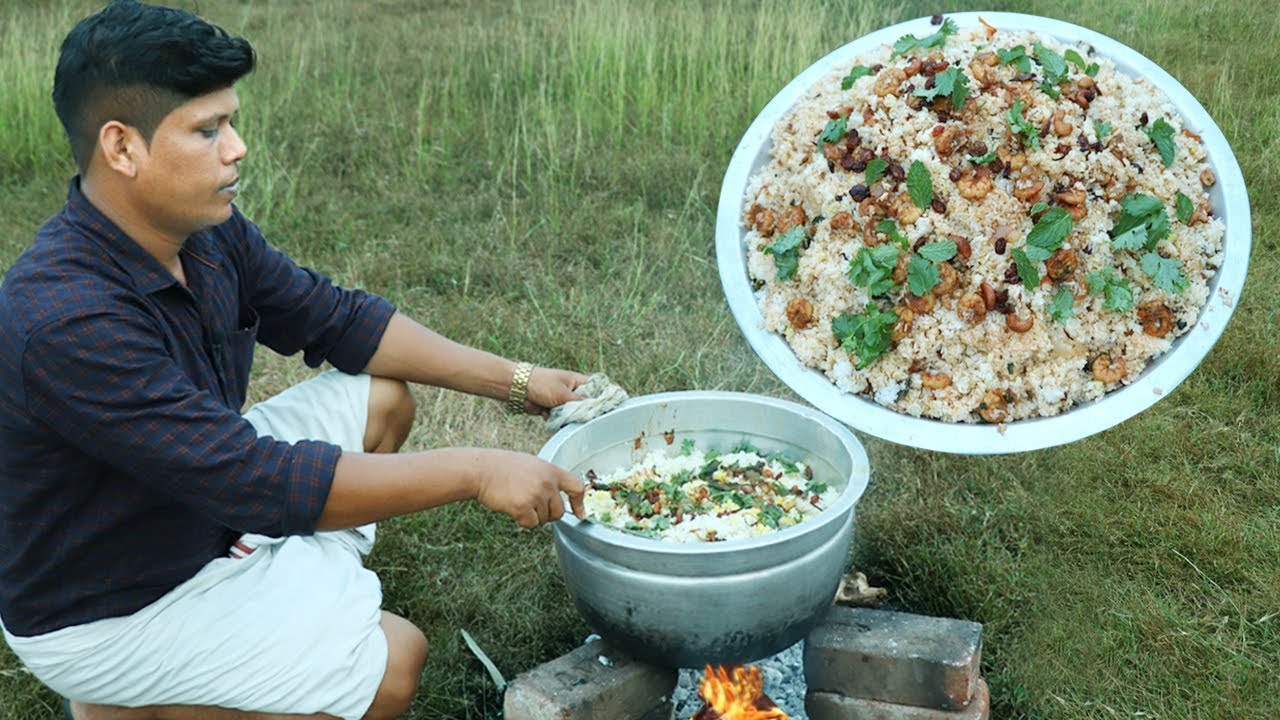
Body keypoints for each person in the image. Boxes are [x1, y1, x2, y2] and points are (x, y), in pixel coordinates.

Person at [0, 1, 591, 718]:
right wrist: (477, 469)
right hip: (113, 603)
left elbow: (335, 319)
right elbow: (254, 480)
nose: (237, 147)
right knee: (395, 662)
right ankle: (122, 704)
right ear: (121, 148)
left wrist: (521, 383)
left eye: (231, 122)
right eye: (208, 130)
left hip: (197, 509)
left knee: (384, 398)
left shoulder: (199, 231)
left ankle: (282, 600)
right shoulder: (66, 319)